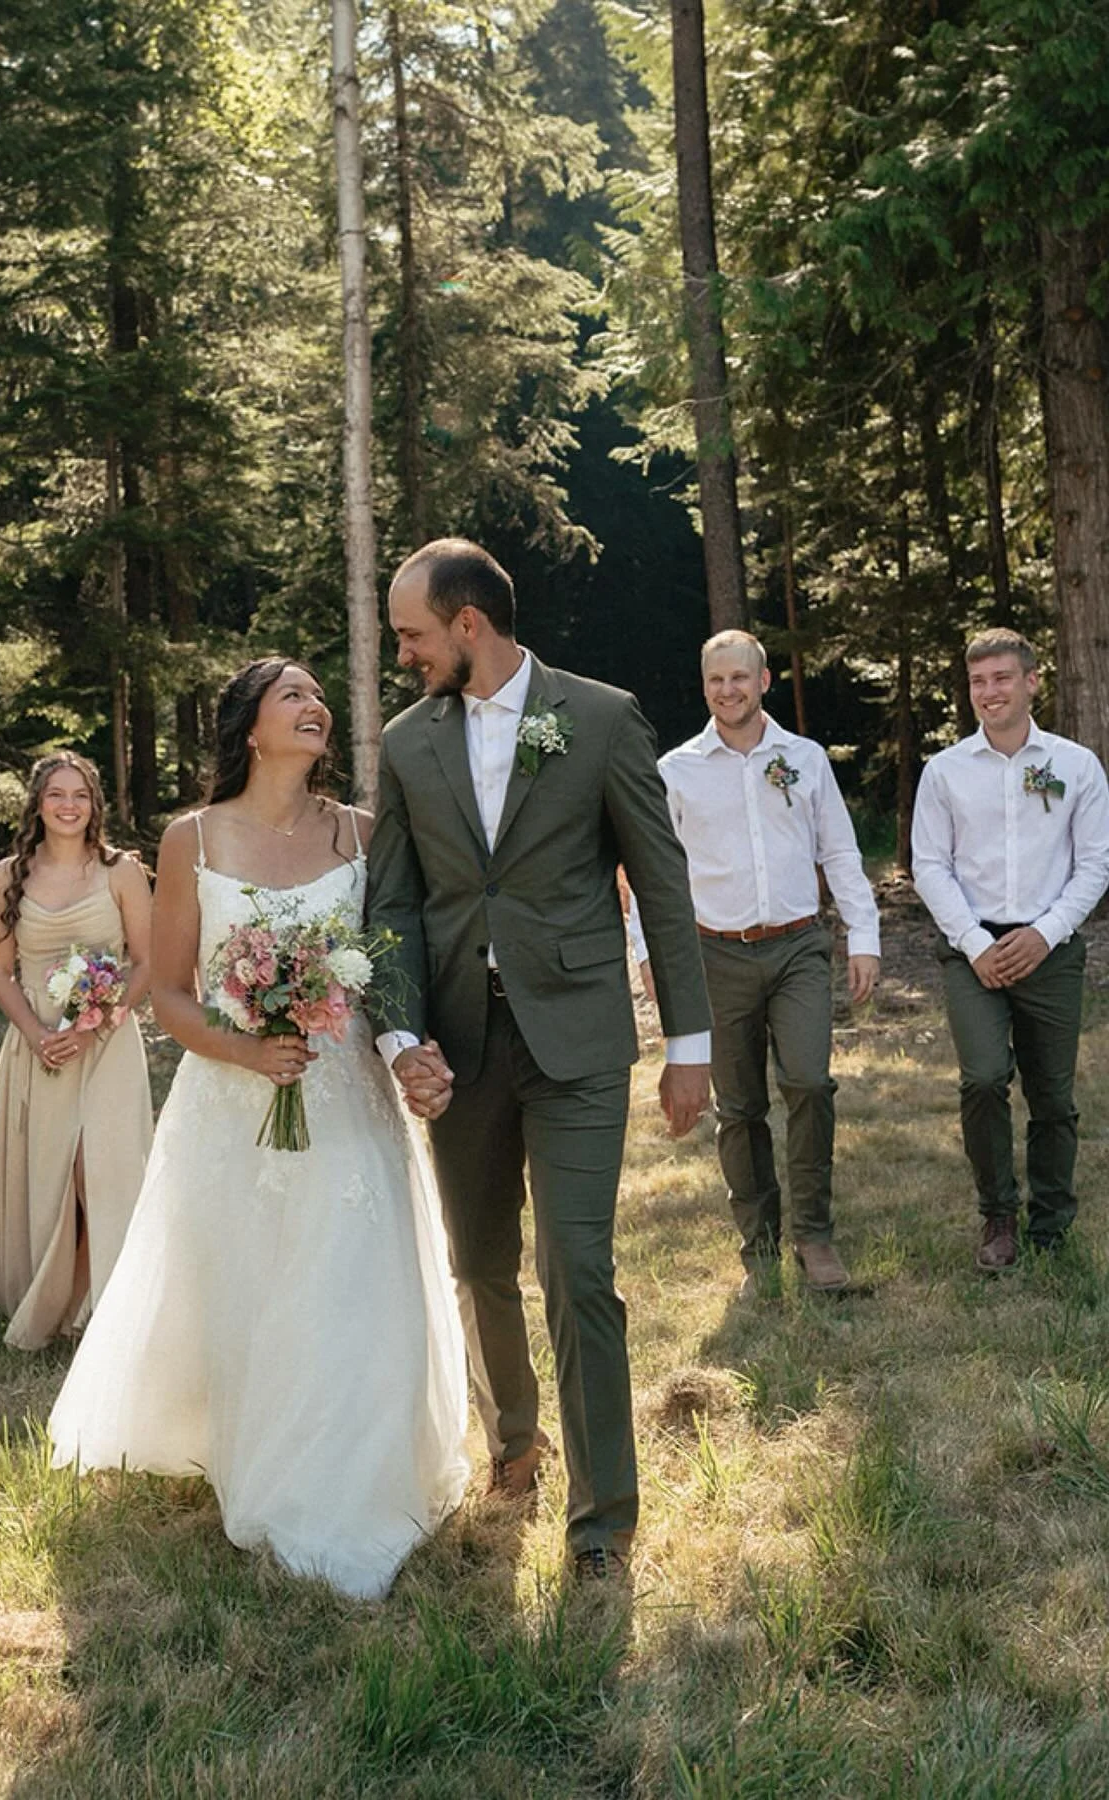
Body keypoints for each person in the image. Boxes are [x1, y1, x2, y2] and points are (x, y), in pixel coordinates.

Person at [48, 660, 468, 1602]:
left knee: (354, 1275)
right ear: (250, 727)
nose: (316, 707)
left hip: (347, 1086)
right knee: (253, 1284)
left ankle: (355, 1482)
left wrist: (403, 1046)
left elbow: (400, 954)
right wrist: (244, 1052)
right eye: (295, 697)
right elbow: (166, 994)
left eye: (321, 698)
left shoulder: (361, 831)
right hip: (233, 1100)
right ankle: (260, 1457)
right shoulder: (192, 837)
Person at [366, 539, 712, 1584]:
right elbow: (391, 905)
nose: (405, 655)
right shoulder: (405, 742)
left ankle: (603, 1520)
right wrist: (398, 1035)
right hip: (458, 1051)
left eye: (413, 635)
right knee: (479, 1266)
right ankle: (515, 1442)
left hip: (578, 1041)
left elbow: (661, 883)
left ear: (470, 624)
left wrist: (689, 1046)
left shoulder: (601, 719)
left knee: (580, 1266)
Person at [628, 631, 880, 1297]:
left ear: (764, 681)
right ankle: (758, 1244)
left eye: (740, 678)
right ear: (704, 685)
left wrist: (864, 936)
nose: (728, 690)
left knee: (810, 1084)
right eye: (716, 680)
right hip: (717, 953)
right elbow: (653, 874)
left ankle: (815, 1236)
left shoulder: (804, 758)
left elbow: (841, 852)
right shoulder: (677, 770)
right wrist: (648, 953)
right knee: (739, 1106)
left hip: (798, 945)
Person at [911, 629, 1109, 1271]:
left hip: (1049, 946)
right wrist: (974, 943)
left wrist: (1045, 933)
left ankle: (1051, 1222)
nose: (988, 692)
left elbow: (1096, 865)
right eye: (977, 682)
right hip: (973, 950)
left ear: (1031, 682)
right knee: (984, 1078)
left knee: (1052, 1095)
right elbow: (929, 866)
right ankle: (998, 1216)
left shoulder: (1077, 766)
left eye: (1001, 678)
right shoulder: (944, 772)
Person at [0, 752, 155, 1349]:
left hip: (105, 1043)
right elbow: (0, 970)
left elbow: (148, 961)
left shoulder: (120, 871)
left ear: (95, 802)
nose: (69, 805)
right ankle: (61, 1305)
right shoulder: (10, 874)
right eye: (57, 794)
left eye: (80, 794)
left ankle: (104, 1309)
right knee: (55, 1177)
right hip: (41, 1043)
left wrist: (95, 1022)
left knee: (98, 1170)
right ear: (38, 803)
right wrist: (36, 1033)